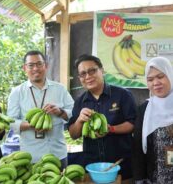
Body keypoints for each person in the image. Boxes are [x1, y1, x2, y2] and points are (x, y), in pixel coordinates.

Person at [68, 54, 136, 183]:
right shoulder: (80, 102)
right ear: (79, 78)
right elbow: (73, 134)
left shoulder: (122, 95)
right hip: (93, 168)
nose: (88, 77)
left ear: (102, 70)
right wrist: (79, 121)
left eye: (92, 71)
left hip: (122, 166)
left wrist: (111, 129)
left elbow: (132, 124)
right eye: (83, 74)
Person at [7, 50, 74, 168]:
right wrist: (30, 125)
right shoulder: (17, 92)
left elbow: (73, 113)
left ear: (46, 66)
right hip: (31, 157)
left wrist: (60, 112)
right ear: (24, 68)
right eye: (31, 65)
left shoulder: (60, 89)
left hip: (58, 154)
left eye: (39, 64)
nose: (35, 68)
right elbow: (11, 122)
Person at [133, 56, 173, 184]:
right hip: (155, 178)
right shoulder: (144, 109)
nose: (156, 83)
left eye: (160, 76)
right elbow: (138, 148)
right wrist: (140, 179)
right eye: (150, 79)